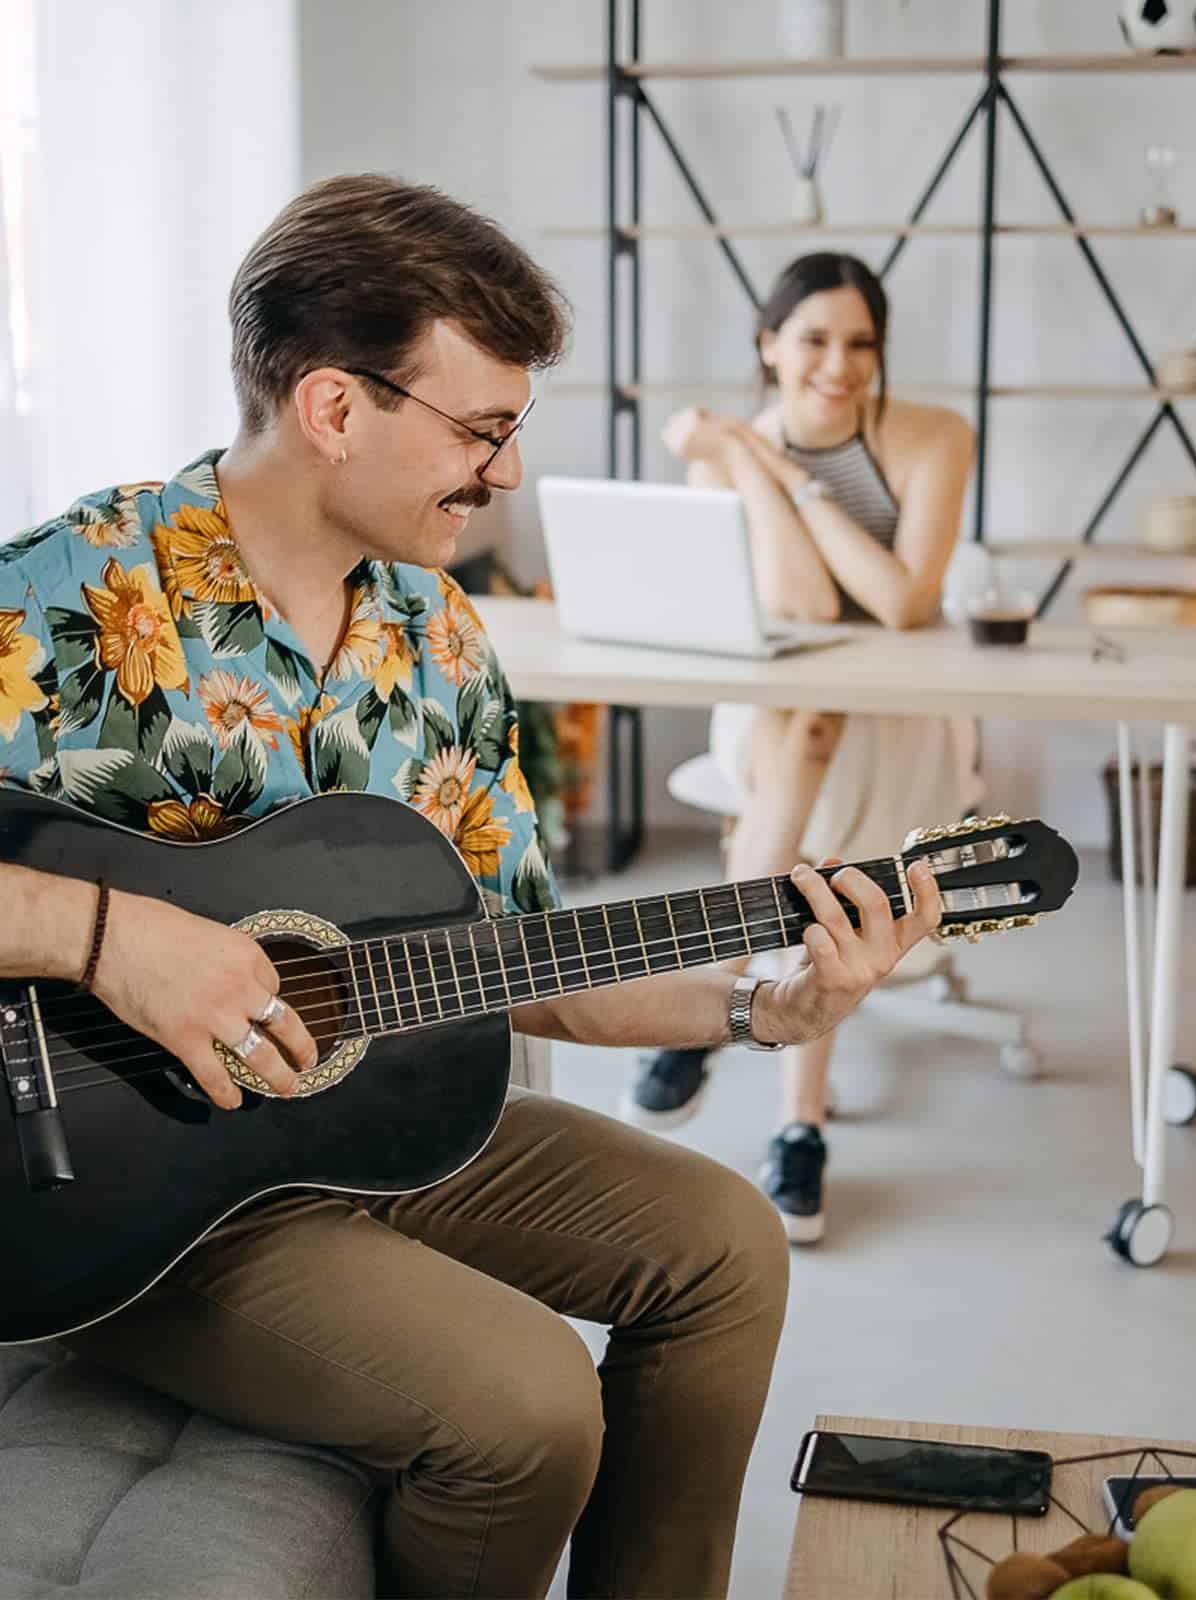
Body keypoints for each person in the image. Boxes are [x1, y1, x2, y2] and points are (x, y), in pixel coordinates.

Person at [0, 177, 941, 1600]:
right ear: (333, 409)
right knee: (527, 1408)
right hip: (120, 1195)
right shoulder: (65, 596)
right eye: (481, 429)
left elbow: (527, 953)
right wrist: (109, 935)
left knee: (729, 1246)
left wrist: (767, 1003)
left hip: (375, 1122)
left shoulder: (436, 630)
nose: (505, 475)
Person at [623, 253, 979, 1245]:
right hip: (778, 718)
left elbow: (904, 603)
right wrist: (741, 457)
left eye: (861, 342)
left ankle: (721, 988)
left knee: (811, 740)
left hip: (899, 724)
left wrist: (779, 470)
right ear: (767, 343)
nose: (840, 363)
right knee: (804, 728)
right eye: (814, 338)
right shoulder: (723, 449)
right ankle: (798, 1127)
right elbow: (803, 605)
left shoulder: (932, 437)